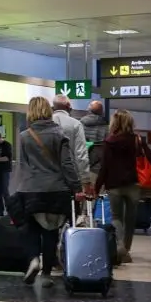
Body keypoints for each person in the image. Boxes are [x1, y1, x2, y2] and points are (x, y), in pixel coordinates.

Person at [16, 96, 81, 288]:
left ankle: (34, 259)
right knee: (50, 232)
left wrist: (19, 189)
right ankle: (46, 274)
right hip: (56, 189)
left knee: (32, 229)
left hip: (31, 189)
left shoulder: (24, 136)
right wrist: (76, 187)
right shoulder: (59, 134)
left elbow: (23, 166)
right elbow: (67, 164)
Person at [94, 110, 151, 264]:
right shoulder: (137, 140)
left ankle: (119, 246)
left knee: (116, 217)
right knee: (130, 219)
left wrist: (96, 187)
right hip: (134, 184)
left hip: (114, 185)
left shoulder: (109, 141)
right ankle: (126, 250)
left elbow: (104, 167)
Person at [52, 95, 92, 223]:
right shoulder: (75, 124)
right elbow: (81, 154)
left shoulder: (45, 123)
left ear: (53, 107)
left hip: (47, 177)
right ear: (69, 107)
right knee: (71, 216)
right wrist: (85, 180)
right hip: (70, 178)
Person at [81, 100, 108, 184]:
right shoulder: (106, 126)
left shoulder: (80, 124)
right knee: (100, 195)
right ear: (102, 112)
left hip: (84, 165)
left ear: (88, 110)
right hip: (100, 167)